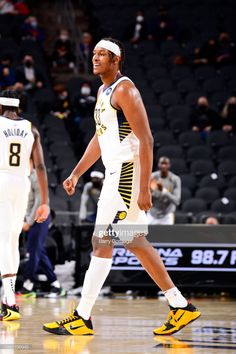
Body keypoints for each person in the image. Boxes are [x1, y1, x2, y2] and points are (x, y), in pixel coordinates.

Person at [43, 38, 200, 336]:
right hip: (116, 172)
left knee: (102, 240)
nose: (96, 58)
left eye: (103, 54)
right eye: (94, 53)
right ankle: (180, 306)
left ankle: (82, 315)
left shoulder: (125, 89)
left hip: (127, 174)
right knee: (134, 241)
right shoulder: (103, 92)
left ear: (116, 60)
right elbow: (99, 139)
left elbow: (147, 139)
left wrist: (144, 187)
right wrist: (77, 173)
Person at [0, 90, 49, 321]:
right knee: (11, 240)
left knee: (4, 240)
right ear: (18, 108)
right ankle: (9, 299)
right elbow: (40, 168)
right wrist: (45, 202)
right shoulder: (32, 129)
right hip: (22, 183)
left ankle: (9, 301)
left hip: (1, 179)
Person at [18, 163, 66, 298]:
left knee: (33, 251)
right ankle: (55, 284)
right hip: (31, 217)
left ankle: (28, 285)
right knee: (39, 251)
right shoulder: (24, 176)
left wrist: (29, 221)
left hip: (40, 216)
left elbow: (40, 201)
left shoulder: (36, 176)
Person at [147, 157, 181, 225]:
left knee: (168, 235)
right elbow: (147, 197)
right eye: (162, 163)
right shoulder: (152, 177)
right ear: (158, 164)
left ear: (169, 165)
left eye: (165, 164)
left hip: (167, 215)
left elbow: (177, 201)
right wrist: (151, 191)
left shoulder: (175, 179)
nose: (163, 166)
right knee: (147, 235)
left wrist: (163, 190)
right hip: (152, 213)